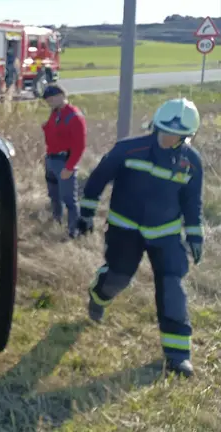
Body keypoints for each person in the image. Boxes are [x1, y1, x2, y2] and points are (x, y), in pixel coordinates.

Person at [77, 97, 204, 378]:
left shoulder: (191, 163)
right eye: (164, 131)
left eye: (175, 135)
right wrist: (86, 213)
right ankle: (99, 295)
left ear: (187, 137)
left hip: (167, 235)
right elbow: (98, 179)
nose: (168, 138)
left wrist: (195, 236)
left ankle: (177, 355)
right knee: (119, 277)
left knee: (172, 287)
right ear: (155, 126)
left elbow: (192, 202)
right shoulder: (128, 149)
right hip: (125, 230)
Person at [41, 84, 87, 238]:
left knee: (69, 199)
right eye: (48, 100)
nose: (50, 102)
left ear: (62, 95)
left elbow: (79, 146)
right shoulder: (55, 113)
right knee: (54, 196)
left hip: (64, 161)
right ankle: (57, 222)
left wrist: (70, 167)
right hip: (51, 159)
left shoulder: (74, 116)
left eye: (52, 99)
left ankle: (73, 231)